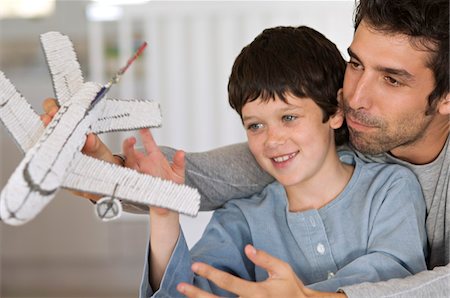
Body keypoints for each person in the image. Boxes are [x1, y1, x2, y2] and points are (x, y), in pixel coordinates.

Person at [41, 0, 449, 296]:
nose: (355, 95)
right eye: (356, 64)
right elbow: (206, 175)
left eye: (392, 80)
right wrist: (110, 172)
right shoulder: (263, 198)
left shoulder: (390, 188)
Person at [127, 26, 427, 297]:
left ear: (336, 111)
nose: (272, 140)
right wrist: (164, 217)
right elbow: (186, 292)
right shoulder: (240, 220)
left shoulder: (390, 188)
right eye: (255, 125)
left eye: (289, 117)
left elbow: (395, 274)